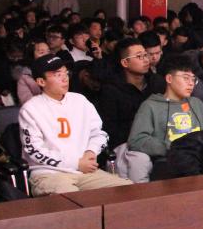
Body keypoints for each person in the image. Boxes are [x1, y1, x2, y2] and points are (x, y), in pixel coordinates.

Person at [18, 54, 130, 194]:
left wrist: (91, 152)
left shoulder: (80, 100)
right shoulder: (31, 109)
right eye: (57, 75)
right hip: (48, 174)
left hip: (85, 171)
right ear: (41, 81)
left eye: (66, 73)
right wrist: (75, 163)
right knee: (74, 201)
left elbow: (99, 133)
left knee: (127, 190)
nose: (64, 78)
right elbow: (34, 150)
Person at [127, 54, 203, 181]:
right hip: (169, 161)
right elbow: (137, 140)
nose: (191, 83)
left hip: (202, 159)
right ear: (169, 78)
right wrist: (171, 147)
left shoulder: (196, 103)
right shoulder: (151, 106)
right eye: (185, 78)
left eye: (193, 79)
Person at [97, 38, 161, 151]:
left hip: (158, 139)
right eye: (139, 56)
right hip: (126, 145)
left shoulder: (156, 82)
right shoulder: (111, 90)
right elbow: (110, 129)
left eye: (145, 55)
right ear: (125, 62)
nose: (146, 60)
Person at [17, 40, 51, 104]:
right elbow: (27, 102)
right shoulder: (25, 77)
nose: (47, 55)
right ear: (31, 56)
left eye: (48, 51)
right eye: (42, 52)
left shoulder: (58, 70)